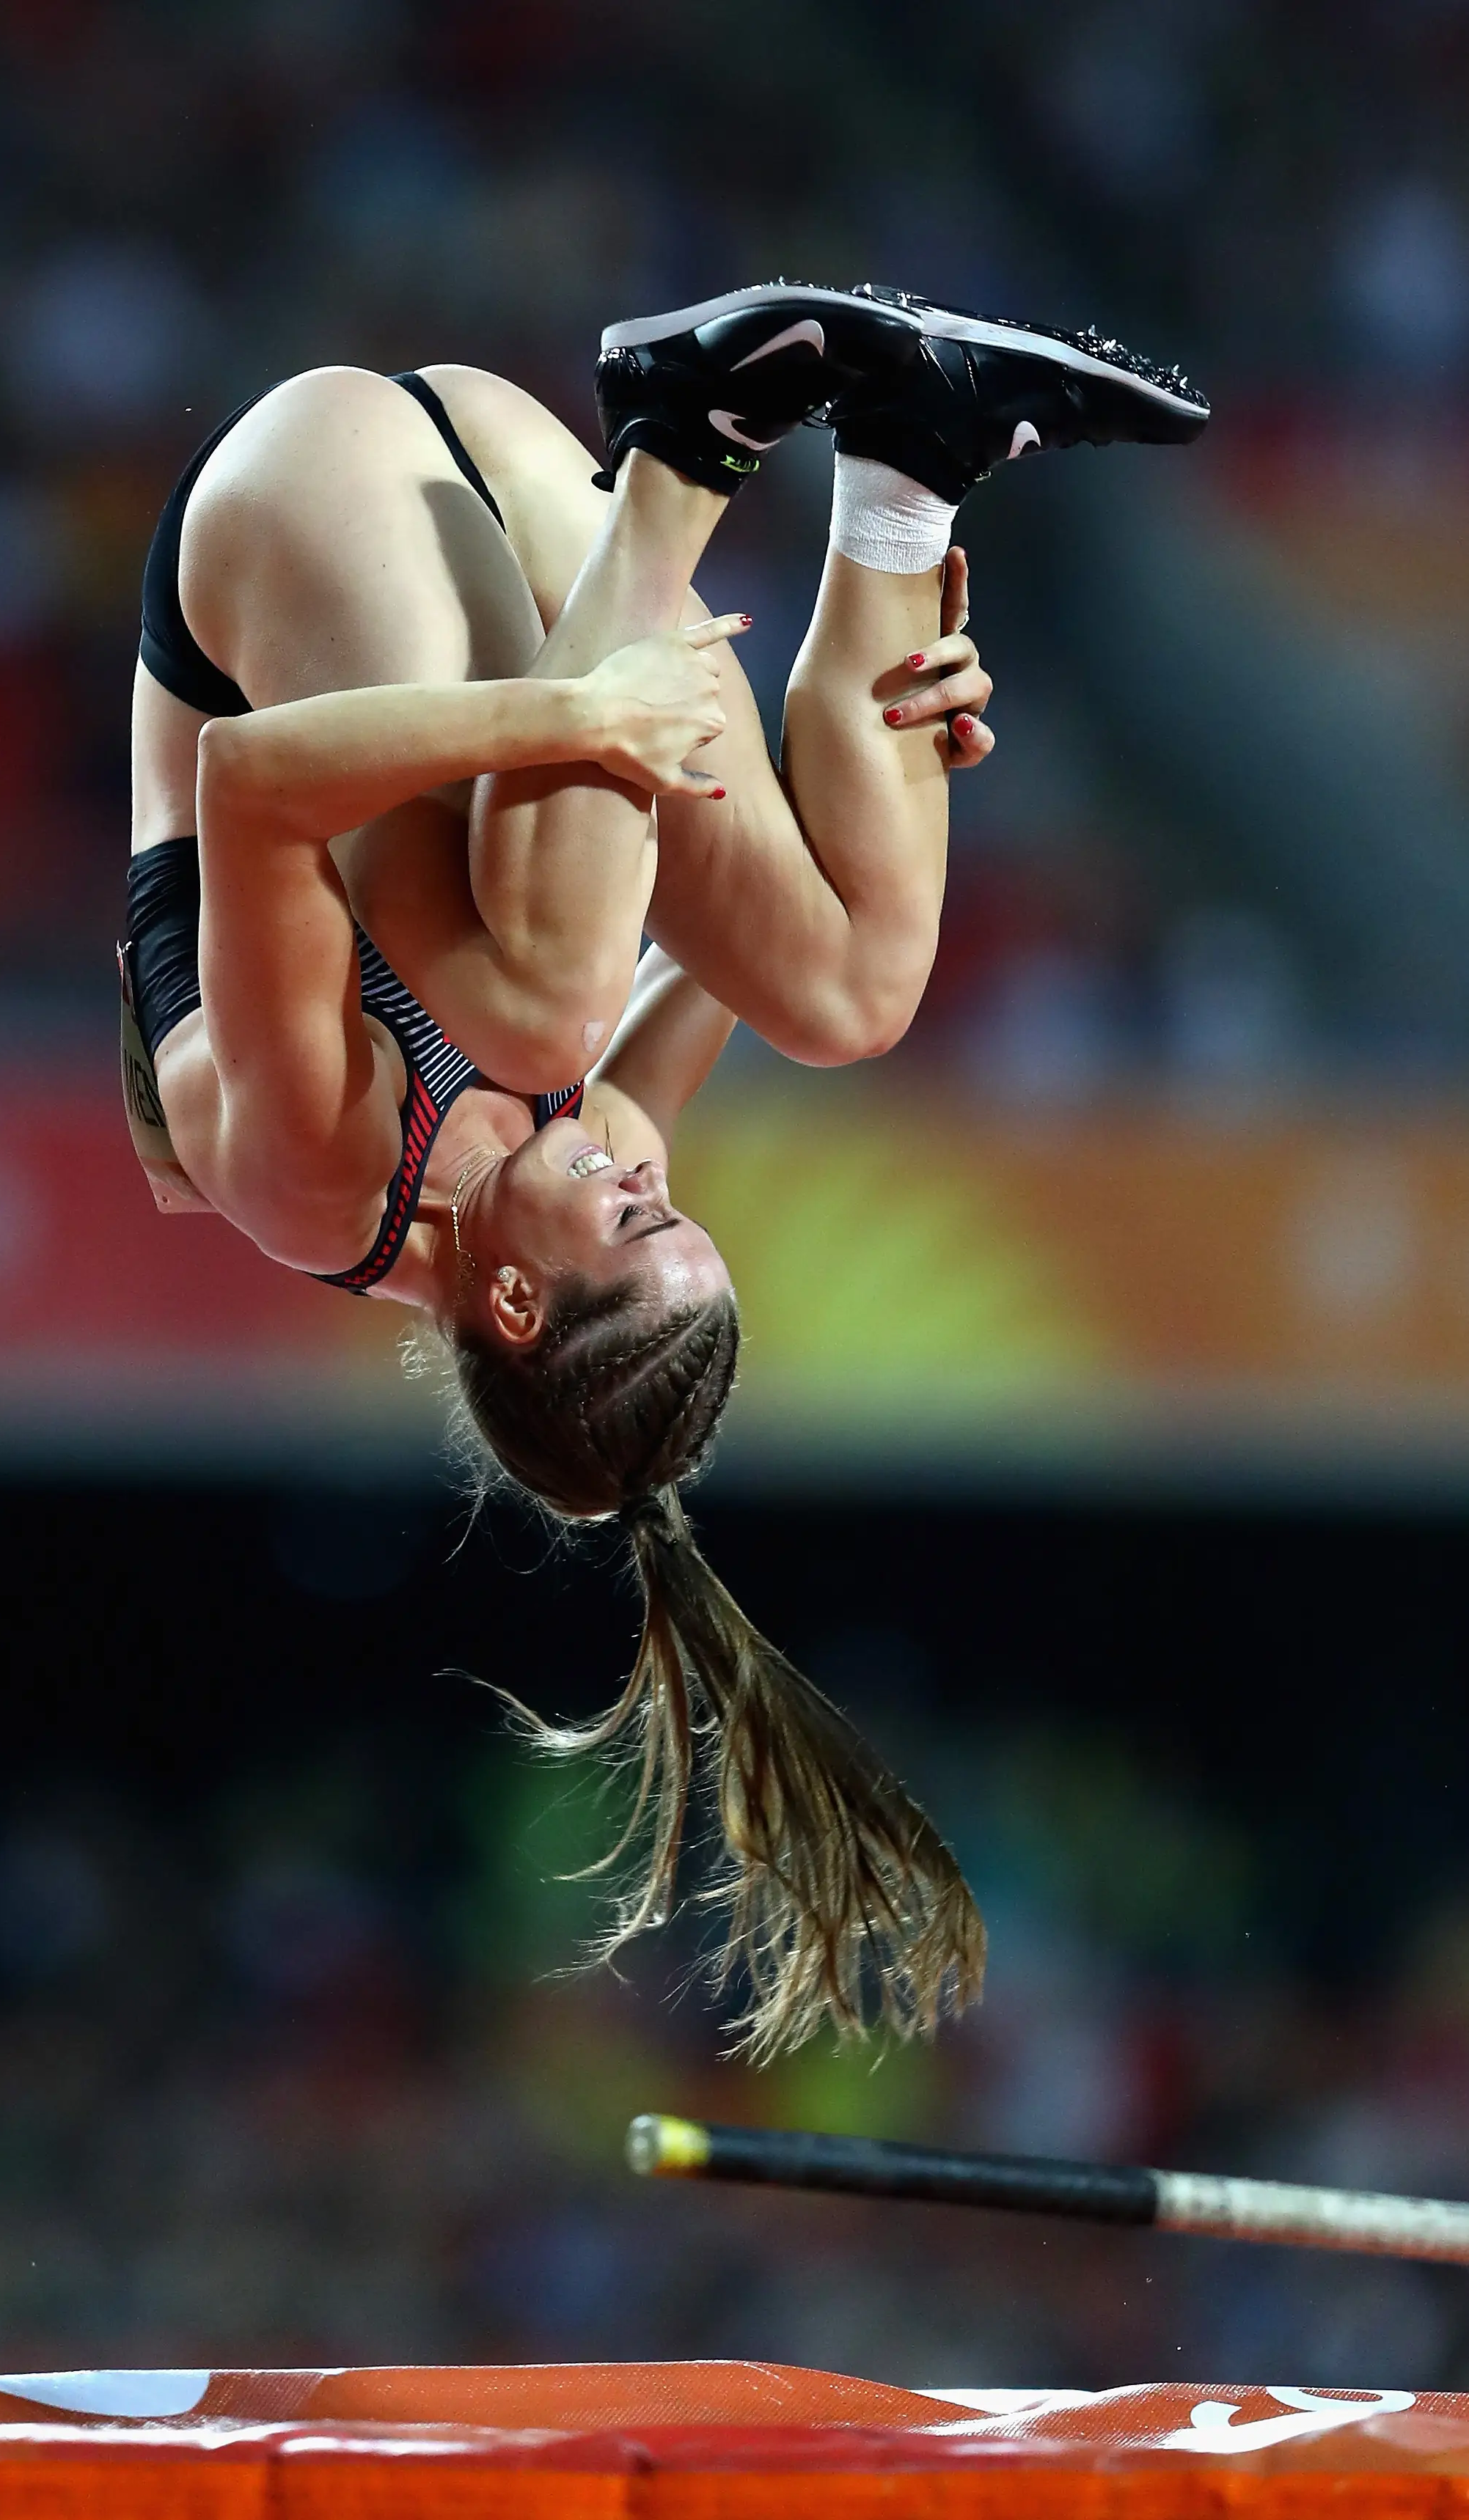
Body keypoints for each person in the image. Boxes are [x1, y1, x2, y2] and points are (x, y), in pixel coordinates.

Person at [122, 284, 1208, 2057]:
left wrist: (575, 717)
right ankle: (912, 464)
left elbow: (248, 784)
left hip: (299, 512)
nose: (643, 1169)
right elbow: (728, 945)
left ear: (514, 1296)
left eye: (635, 1220)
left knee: (546, 1003)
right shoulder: (590, 1150)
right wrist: (899, 751)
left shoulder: (317, 1173)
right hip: (515, 527)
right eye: (670, 1202)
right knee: (846, 989)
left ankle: (693, 429)